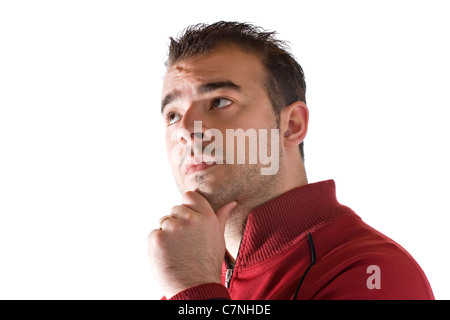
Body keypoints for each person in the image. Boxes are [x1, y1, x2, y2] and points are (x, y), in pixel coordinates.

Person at [147, 21, 434, 300]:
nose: (185, 130)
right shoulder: (190, 278)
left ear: (291, 125)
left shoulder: (374, 272)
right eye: (172, 115)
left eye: (219, 102)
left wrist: (194, 292)